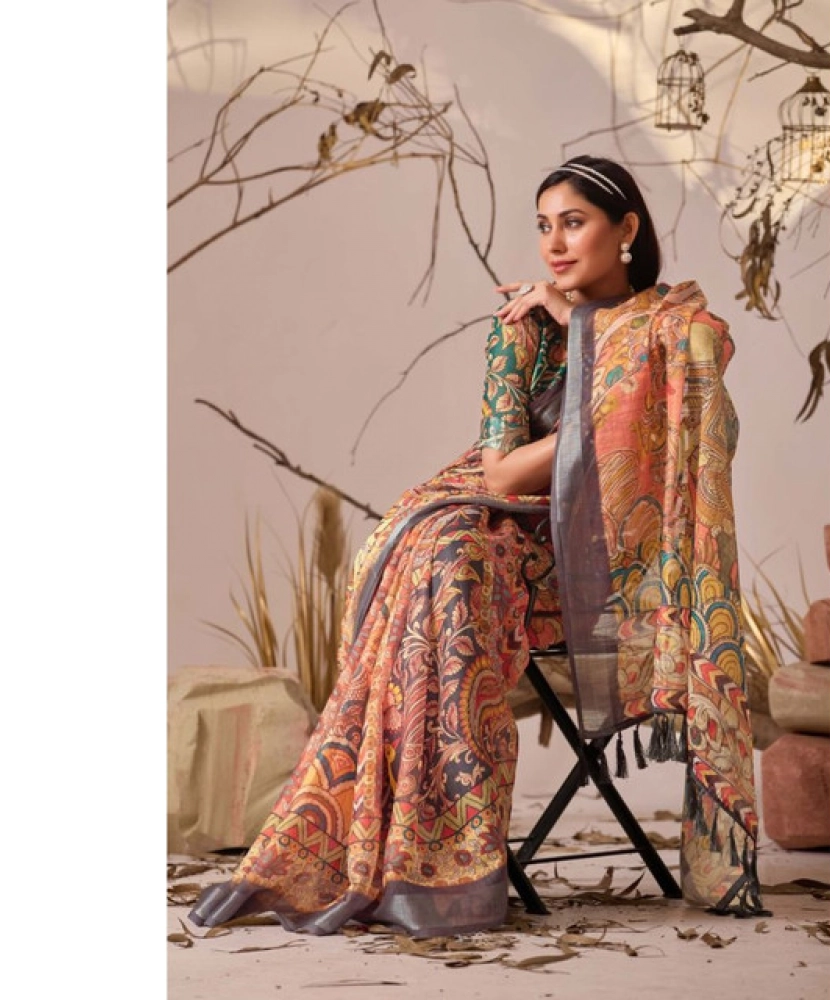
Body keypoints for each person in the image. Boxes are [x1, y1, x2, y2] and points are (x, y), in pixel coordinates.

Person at [188, 154, 767, 939]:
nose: (554, 244)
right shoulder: (521, 328)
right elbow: (500, 470)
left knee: (451, 560)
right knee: (444, 554)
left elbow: (683, 447)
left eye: (574, 223)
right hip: (507, 525)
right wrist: (608, 413)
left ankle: (441, 858)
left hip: (619, 566)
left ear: (626, 228)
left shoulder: (675, 327)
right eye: (544, 226)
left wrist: (591, 344)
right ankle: (426, 861)